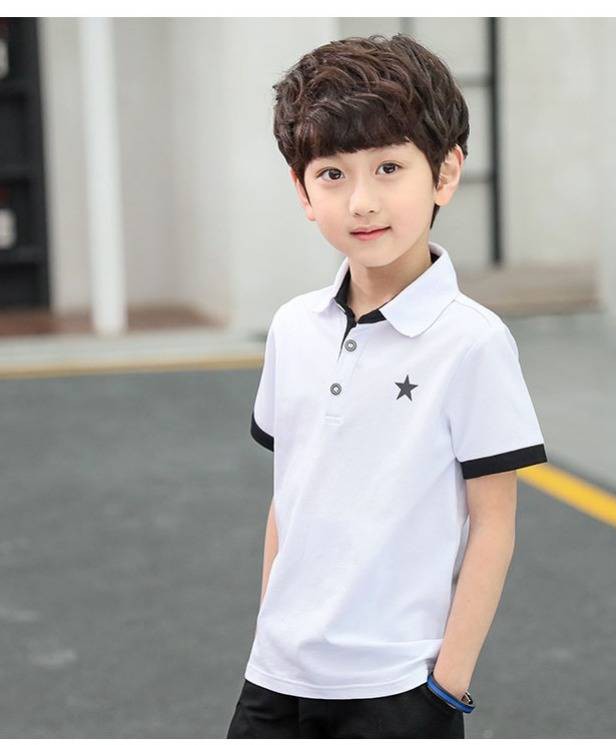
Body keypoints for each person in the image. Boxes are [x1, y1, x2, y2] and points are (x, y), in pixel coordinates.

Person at [226, 33, 548, 739]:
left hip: (398, 688)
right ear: (302, 191)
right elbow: (289, 494)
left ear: (445, 173)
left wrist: (447, 686)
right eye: (332, 174)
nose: (362, 201)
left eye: (389, 167)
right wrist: (269, 631)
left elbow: (493, 524)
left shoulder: (472, 341)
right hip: (276, 675)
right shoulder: (292, 328)